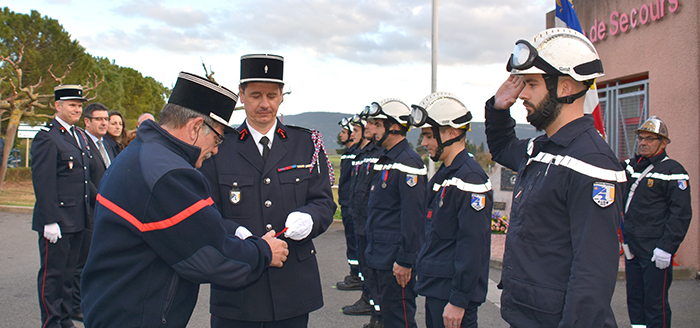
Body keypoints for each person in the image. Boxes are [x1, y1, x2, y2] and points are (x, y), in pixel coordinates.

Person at [80, 72, 289, 327]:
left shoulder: (143, 153)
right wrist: (264, 251)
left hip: (116, 307)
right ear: (194, 128)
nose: (216, 149)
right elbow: (213, 258)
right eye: (217, 137)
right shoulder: (170, 173)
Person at [485, 28, 626, 327]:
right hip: (526, 314)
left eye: (532, 84)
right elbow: (502, 148)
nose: (522, 93)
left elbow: (592, 275)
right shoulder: (541, 148)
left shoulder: (592, 163)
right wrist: (498, 108)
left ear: (564, 88)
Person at [200, 54, 336, 328]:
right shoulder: (219, 147)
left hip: (293, 287)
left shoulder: (307, 144)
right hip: (239, 286)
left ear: (282, 95)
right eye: (256, 95)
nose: (264, 104)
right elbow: (206, 211)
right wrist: (236, 233)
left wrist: (310, 218)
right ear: (241, 95)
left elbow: (323, 202)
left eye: (272, 95)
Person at [411, 92, 492, 328]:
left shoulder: (470, 178)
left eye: (428, 135)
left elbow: (472, 245)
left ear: (452, 132)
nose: (424, 143)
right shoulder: (446, 175)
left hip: (452, 297)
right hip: (438, 288)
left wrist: (458, 300)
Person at [622, 116, 692, 328]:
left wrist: (667, 248)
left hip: (655, 251)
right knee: (635, 301)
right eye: (641, 138)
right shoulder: (631, 166)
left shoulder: (674, 170)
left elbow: (681, 214)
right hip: (632, 248)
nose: (643, 142)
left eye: (650, 139)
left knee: (655, 304)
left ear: (663, 143)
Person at [363, 98, 427, 328]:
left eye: (378, 125)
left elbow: (413, 217)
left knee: (400, 319)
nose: (374, 130)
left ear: (396, 126)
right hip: (380, 256)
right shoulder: (386, 159)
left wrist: (405, 259)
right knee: (388, 317)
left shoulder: (408, 162)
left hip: (395, 262)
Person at [31, 84, 91, 328]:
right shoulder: (47, 136)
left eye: (79, 105)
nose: (77, 109)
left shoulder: (78, 135)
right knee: (52, 276)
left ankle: (65, 319)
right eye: (72, 105)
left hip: (77, 219)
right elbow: (43, 182)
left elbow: (84, 179)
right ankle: (51, 322)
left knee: (68, 275)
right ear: (58, 106)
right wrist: (49, 220)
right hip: (57, 220)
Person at [70, 102, 115, 322]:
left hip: (105, 210)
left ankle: (96, 299)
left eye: (106, 119)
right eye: (99, 119)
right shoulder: (82, 144)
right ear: (87, 121)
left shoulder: (106, 144)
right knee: (84, 261)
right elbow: (84, 178)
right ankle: (76, 304)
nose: (104, 123)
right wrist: (102, 200)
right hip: (90, 209)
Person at [342, 111, 383, 318]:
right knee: (366, 267)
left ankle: (374, 307)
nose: (367, 128)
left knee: (374, 273)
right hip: (359, 219)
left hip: (370, 222)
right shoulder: (363, 155)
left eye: (370, 125)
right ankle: (371, 305)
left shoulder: (379, 155)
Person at [336, 115, 362, 290]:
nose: (342, 135)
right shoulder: (347, 154)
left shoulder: (356, 155)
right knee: (351, 241)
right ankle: (355, 273)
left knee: (355, 241)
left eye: (345, 132)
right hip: (346, 203)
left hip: (352, 205)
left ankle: (357, 276)